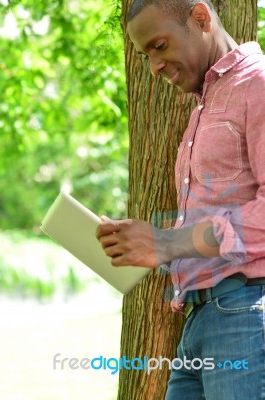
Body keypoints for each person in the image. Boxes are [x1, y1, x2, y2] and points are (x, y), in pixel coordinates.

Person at [96, 1, 265, 398]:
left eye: (159, 46)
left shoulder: (258, 84)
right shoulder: (202, 109)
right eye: (145, 55)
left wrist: (166, 242)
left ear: (201, 18)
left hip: (246, 315)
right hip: (198, 322)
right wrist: (141, 243)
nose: (154, 66)